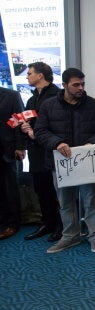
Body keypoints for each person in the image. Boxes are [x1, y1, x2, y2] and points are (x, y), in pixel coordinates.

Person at [34, 68, 95, 253]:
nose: (81, 88)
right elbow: (40, 131)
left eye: (83, 84)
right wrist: (57, 143)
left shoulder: (94, 105)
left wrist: (92, 142)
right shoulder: (49, 106)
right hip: (60, 163)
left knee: (91, 202)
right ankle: (70, 236)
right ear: (64, 85)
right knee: (65, 203)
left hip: (87, 162)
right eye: (76, 85)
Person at [19, 62, 63, 242]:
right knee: (41, 189)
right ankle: (48, 223)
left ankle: (61, 226)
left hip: (52, 151)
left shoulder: (58, 96)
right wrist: (25, 128)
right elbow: (29, 121)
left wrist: (35, 132)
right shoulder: (31, 99)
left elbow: (58, 125)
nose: (27, 76)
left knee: (56, 192)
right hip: (36, 152)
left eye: (29, 73)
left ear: (40, 75)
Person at [0, 87, 26, 240]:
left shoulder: (11, 96)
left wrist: (20, 146)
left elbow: (19, 122)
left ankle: (13, 223)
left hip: (8, 149)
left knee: (10, 188)